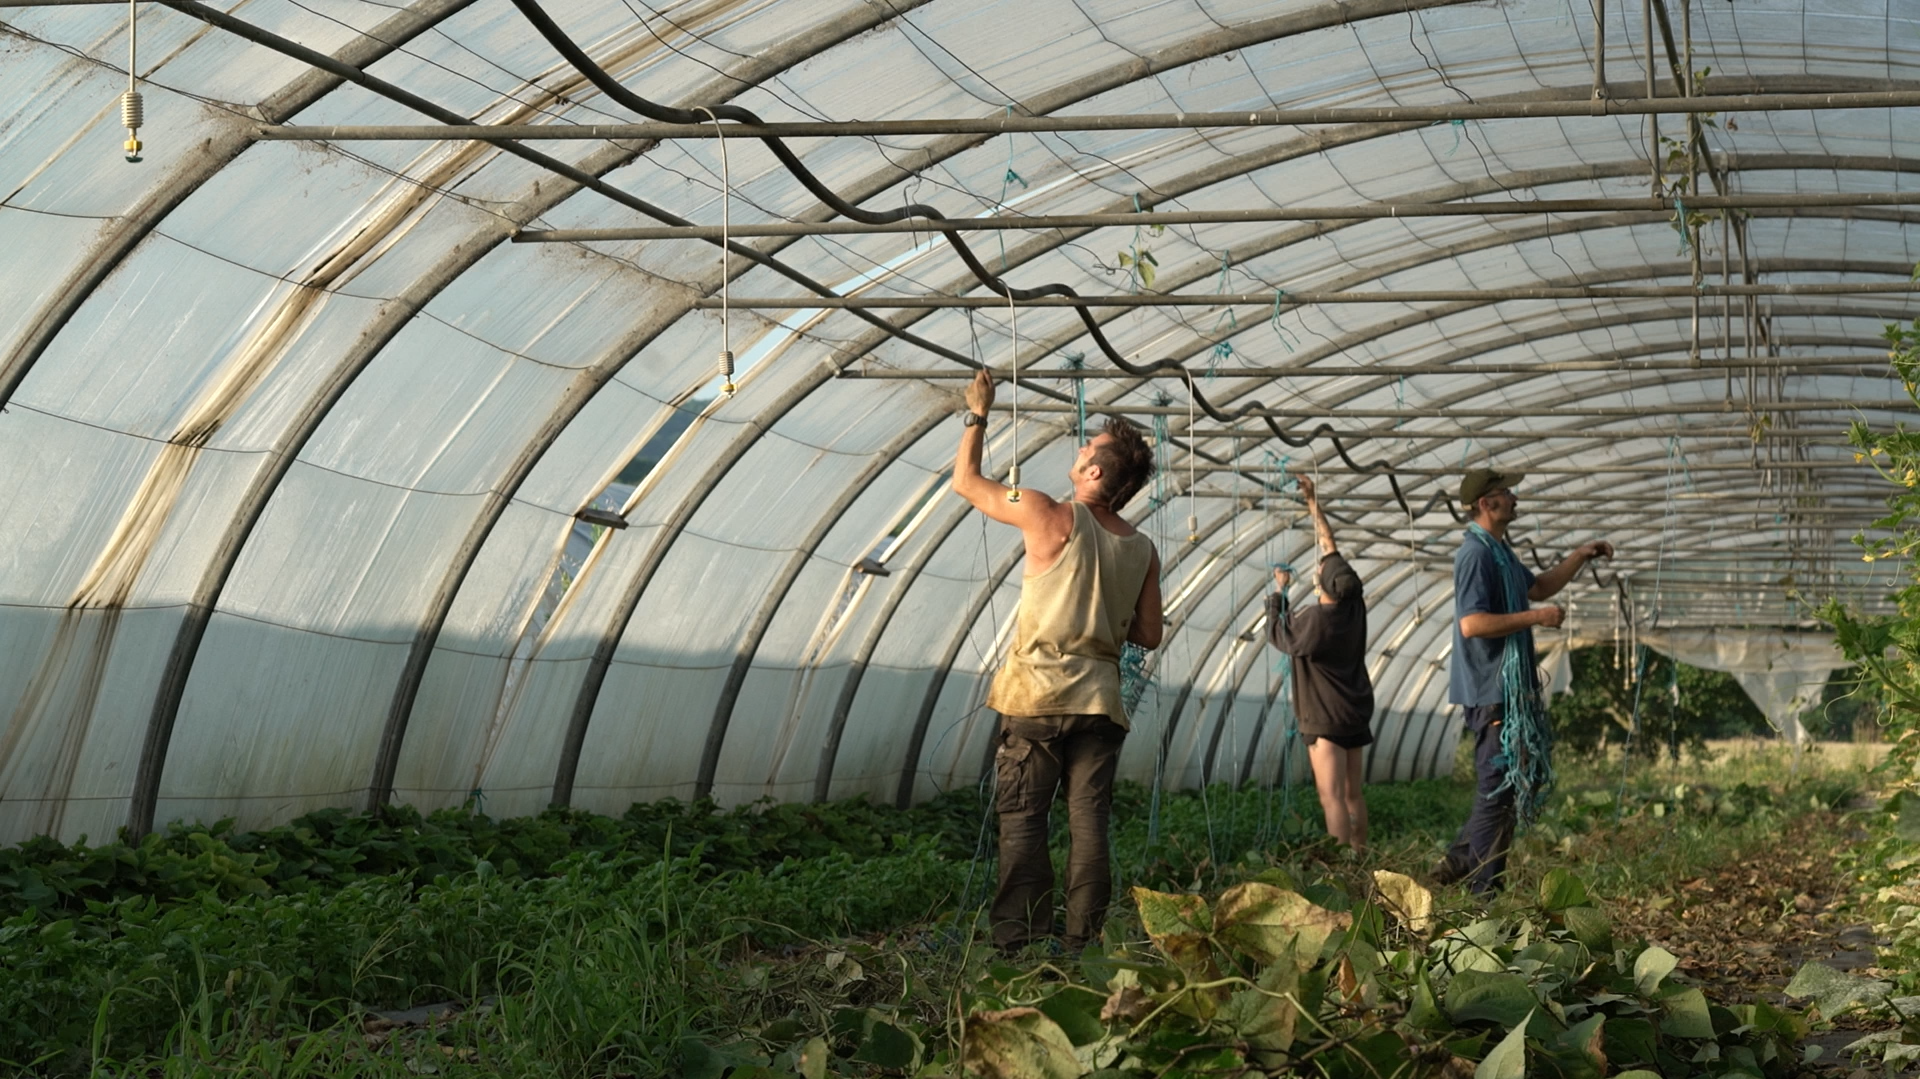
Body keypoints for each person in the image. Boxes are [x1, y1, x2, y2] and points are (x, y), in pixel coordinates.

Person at [953, 369, 1163, 953]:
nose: (1078, 451)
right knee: (1088, 823)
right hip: (1100, 702)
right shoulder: (1141, 548)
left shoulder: (1045, 511)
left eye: (1086, 448)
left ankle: (1018, 947)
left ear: (1094, 473)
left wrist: (978, 412)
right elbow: (1149, 633)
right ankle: (1080, 947)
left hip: (1036, 698)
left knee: (1023, 820)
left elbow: (967, 483)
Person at [1434, 467, 1613, 896]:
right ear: (1486, 504)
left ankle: (1463, 864)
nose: (1515, 498)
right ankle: (1478, 887)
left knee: (1511, 784)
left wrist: (1579, 556)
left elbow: (1538, 588)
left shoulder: (1499, 551)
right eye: (1506, 492)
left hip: (1508, 688)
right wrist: (1536, 620)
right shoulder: (1475, 556)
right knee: (1499, 788)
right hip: (1491, 690)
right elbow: (1472, 624)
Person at [1265, 474, 1374, 852]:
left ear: (1321, 586)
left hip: (1325, 719)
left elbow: (1278, 634)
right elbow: (1330, 545)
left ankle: (1344, 865)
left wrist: (1279, 590)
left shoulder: (1315, 622)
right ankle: (1361, 853)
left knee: (1331, 799)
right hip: (1354, 713)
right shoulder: (1353, 607)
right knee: (1352, 794)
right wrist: (1313, 502)